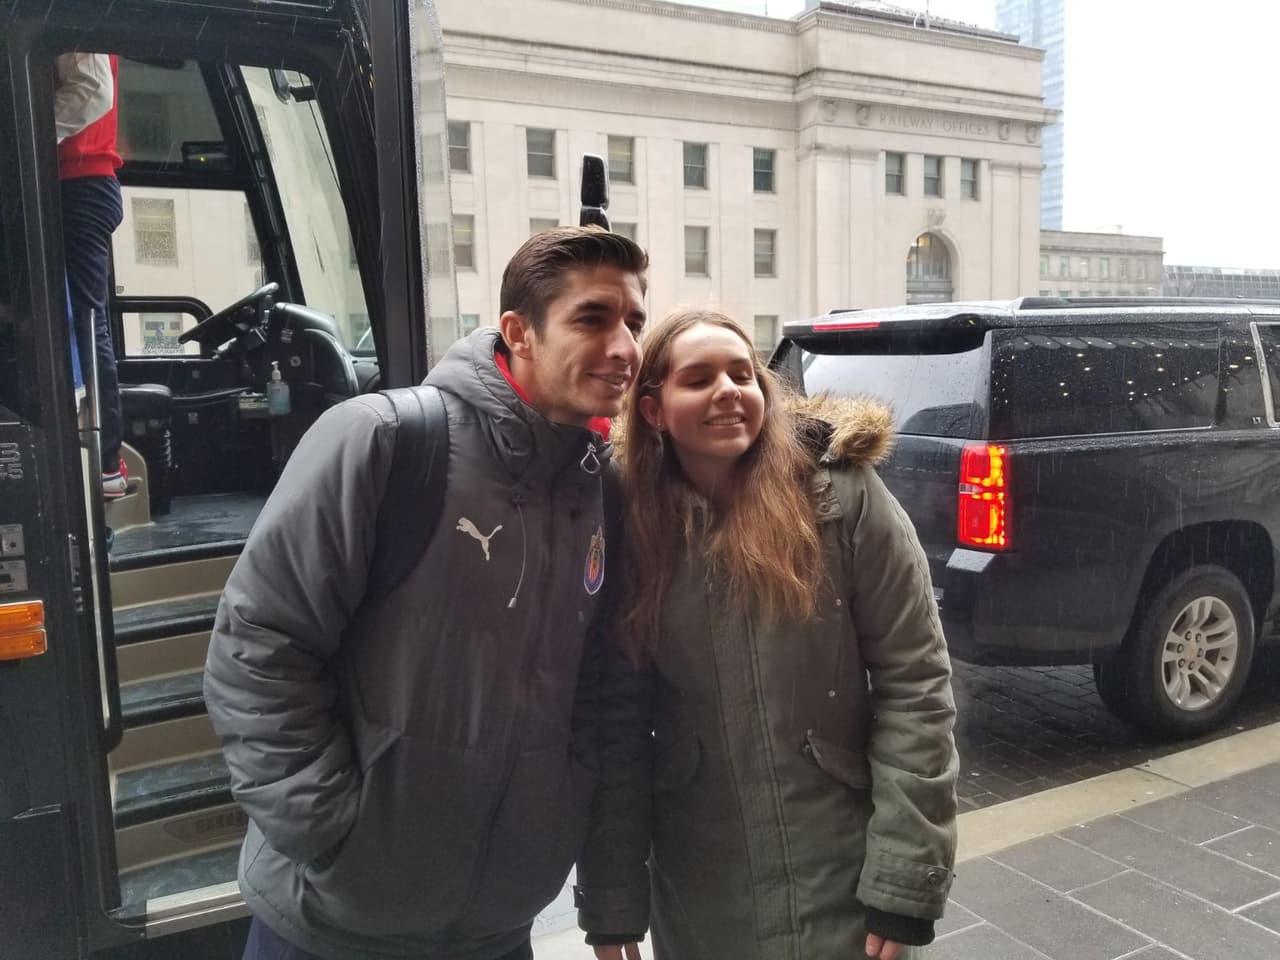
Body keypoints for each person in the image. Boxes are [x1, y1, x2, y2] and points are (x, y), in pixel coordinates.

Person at [204, 226, 648, 960]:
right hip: (332, 924)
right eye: (592, 318)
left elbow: (599, 691)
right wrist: (330, 833)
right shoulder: (383, 440)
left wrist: (560, 826)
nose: (625, 345)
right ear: (519, 332)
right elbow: (259, 645)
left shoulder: (603, 488)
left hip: (496, 925)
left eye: (634, 320)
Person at [578, 308, 959, 960]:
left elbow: (915, 681)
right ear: (652, 410)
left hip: (840, 877)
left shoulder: (841, 499)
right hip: (701, 895)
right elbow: (614, 723)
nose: (728, 390)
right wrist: (612, 909)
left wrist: (904, 880)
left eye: (742, 373)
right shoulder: (626, 526)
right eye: (698, 379)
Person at [55, 51, 125, 496]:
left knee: (84, 321)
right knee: (84, 320)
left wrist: (18, 133)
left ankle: (102, 463)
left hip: (78, 181)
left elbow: (92, 91)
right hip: (75, 182)